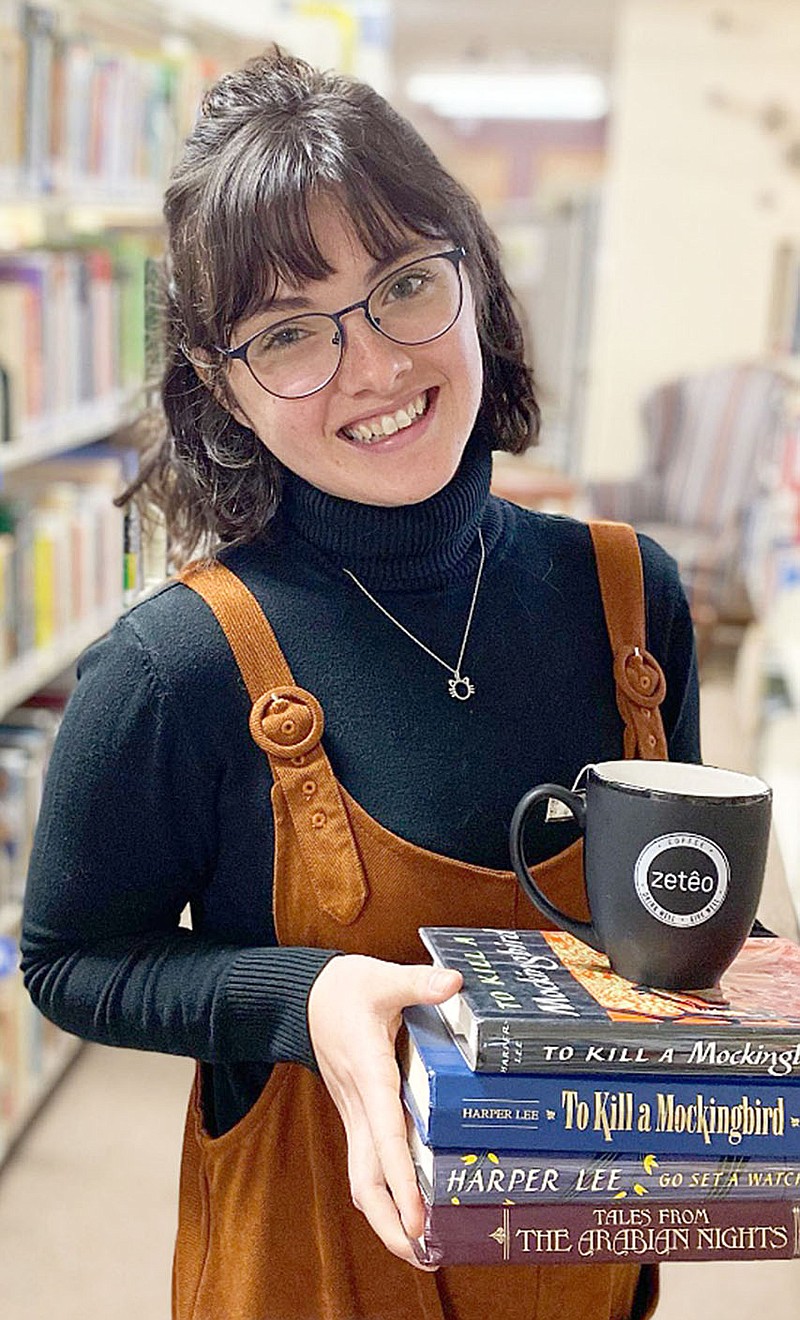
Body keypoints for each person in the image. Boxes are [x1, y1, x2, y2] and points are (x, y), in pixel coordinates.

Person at [21, 48, 700, 1320]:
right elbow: (69, 959)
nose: (375, 367)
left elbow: (670, 928)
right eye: (288, 332)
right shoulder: (173, 668)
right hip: (310, 1269)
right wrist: (307, 993)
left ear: (473, 278)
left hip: (579, 1265)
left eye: (400, 285)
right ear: (220, 386)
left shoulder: (630, 601)